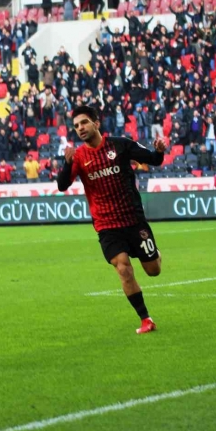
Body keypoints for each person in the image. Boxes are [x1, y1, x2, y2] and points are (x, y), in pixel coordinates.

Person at [57, 106, 166, 334]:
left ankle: (155, 254)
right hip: (107, 225)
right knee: (123, 269)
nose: (80, 128)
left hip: (133, 219)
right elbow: (62, 185)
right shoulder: (78, 156)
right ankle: (146, 319)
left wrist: (159, 150)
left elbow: (153, 159)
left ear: (96, 123)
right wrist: (66, 165)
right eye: (76, 126)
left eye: (84, 122)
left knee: (153, 270)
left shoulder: (120, 144)